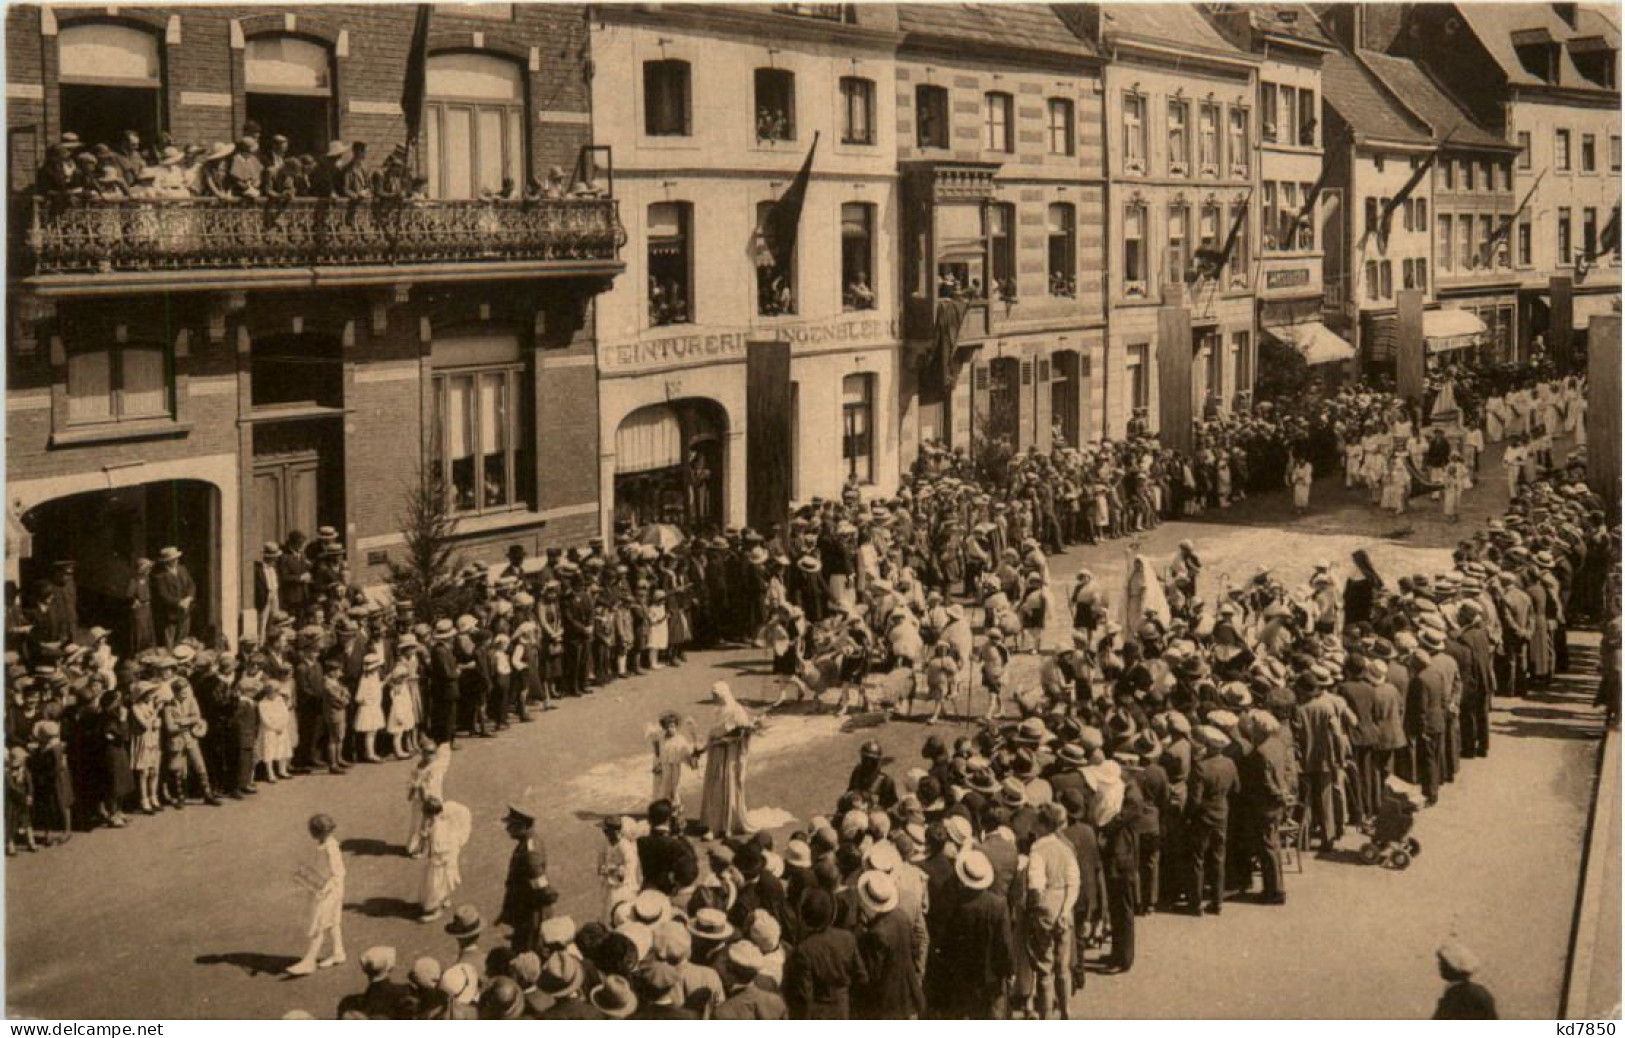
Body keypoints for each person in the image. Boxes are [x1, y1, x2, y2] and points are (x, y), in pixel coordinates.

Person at [288, 813, 347, 977]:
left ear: (319, 831)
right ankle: (338, 952)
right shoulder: (325, 844)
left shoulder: (331, 848)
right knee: (333, 921)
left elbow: (338, 873)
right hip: (327, 888)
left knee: (319, 924)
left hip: (330, 891)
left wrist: (323, 889)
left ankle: (309, 961)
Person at [698, 682, 757, 838]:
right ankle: (714, 823)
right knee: (715, 786)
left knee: (726, 784)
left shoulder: (736, 710)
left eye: (715, 695)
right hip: (716, 753)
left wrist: (725, 741)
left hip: (729, 754)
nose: (713, 698)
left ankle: (726, 824)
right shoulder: (718, 710)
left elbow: (744, 732)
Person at [498, 799, 554, 951]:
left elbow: (541, 887)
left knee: (529, 948)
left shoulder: (530, 853)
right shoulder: (529, 842)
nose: (507, 829)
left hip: (531, 912)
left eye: (511, 825)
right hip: (526, 910)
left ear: (521, 826)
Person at [418, 796, 471, 922]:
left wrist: (427, 838)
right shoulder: (435, 823)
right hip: (439, 860)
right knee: (440, 883)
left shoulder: (439, 828)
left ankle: (435, 909)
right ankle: (444, 899)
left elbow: (438, 848)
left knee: (435, 885)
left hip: (441, 861)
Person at [1432, 940, 1497, 1019]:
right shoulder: (1479, 991)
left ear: (1453, 967)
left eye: (1443, 963)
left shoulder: (1458, 995)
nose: (1439, 966)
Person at [150, 546, 195, 649]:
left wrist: (189, 598)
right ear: (166, 562)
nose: (176, 561)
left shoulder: (182, 569)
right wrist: (179, 602)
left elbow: (191, 585)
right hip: (171, 614)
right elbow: (163, 595)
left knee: (183, 639)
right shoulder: (160, 576)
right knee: (170, 641)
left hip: (185, 611)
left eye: (176, 558)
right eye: (172, 560)